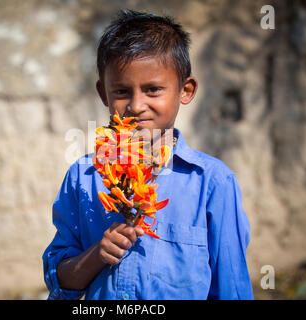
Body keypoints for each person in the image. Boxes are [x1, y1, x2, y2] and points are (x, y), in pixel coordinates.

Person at [42, 9, 254, 300]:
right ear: (103, 93)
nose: (137, 105)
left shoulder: (212, 182)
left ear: (186, 90)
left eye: (153, 90)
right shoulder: (84, 177)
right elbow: (59, 281)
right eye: (121, 91)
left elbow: (232, 287)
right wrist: (96, 255)